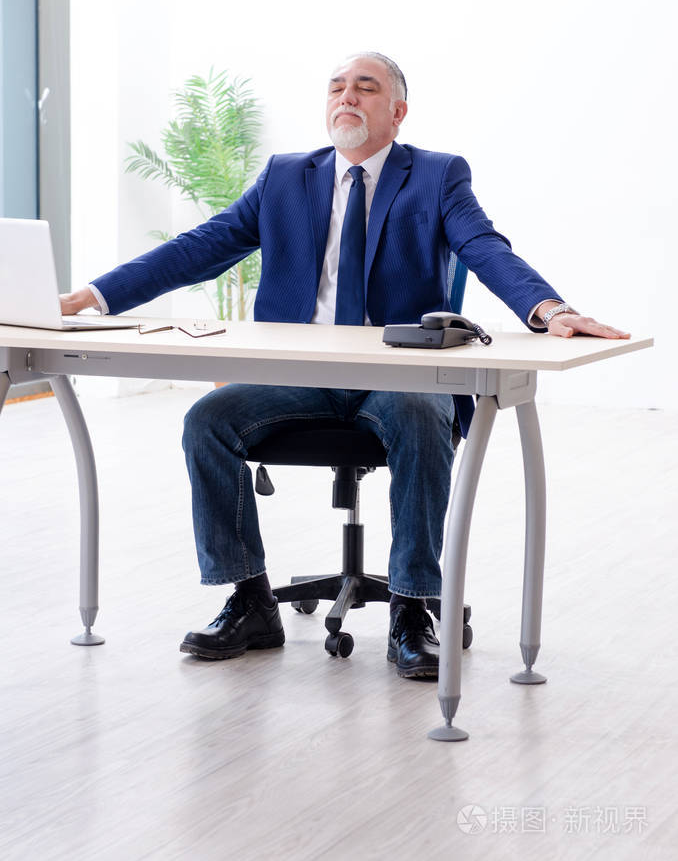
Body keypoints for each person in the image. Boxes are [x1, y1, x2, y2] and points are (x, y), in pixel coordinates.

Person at [61, 52, 629, 679]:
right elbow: (204, 246)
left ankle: (412, 610)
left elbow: (484, 247)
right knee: (208, 421)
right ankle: (250, 600)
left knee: (418, 417)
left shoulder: (437, 177)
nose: (347, 97)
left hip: (400, 379)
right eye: (337, 87)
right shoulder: (284, 178)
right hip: (298, 376)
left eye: (366, 88)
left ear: (397, 112)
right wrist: (92, 297)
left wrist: (548, 308)